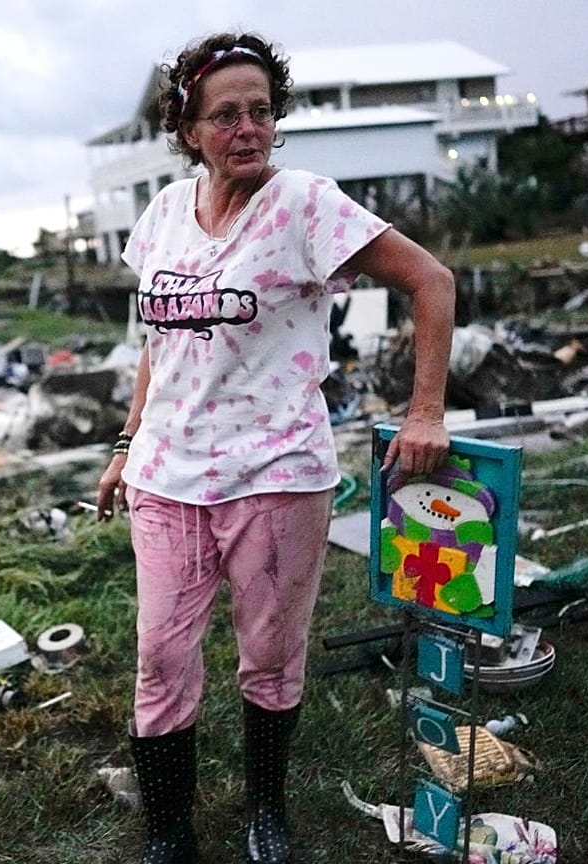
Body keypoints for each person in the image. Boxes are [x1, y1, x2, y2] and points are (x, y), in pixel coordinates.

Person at [94, 31, 455, 864]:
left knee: (269, 657)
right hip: (167, 478)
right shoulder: (159, 217)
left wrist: (424, 411)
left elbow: (430, 281)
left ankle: (266, 812)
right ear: (187, 128)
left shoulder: (305, 204)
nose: (248, 128)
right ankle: (169, 831)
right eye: (225, 115)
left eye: (261, 111)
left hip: (278, 474)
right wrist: (125, 442)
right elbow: (160, 340)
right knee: (160, 659)